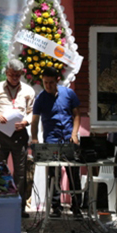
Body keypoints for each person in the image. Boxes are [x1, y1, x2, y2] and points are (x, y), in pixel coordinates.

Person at [0, 58, 35, 218]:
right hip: (1, 134)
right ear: (6, 73)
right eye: (12, 75)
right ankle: (0, 205)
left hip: (20, 135)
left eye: (18, 75)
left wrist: (26, 121)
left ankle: (19, 207)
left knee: (20, 172)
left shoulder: (28, 90)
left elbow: (32, 112)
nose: (15, 78)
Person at [31, 66, 82, 219]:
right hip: (51, 140)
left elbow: (77, 115)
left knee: (73, 173)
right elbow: (35, 120)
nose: (48, 86)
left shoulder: (68, 93)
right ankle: (55, 207)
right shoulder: (40, 98)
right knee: (53, 175)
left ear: (57, 80)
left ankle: (76, 207)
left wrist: (74, 134)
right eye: (45, 82)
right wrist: (34, 138)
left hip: (68, 138)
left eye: (51, 83)